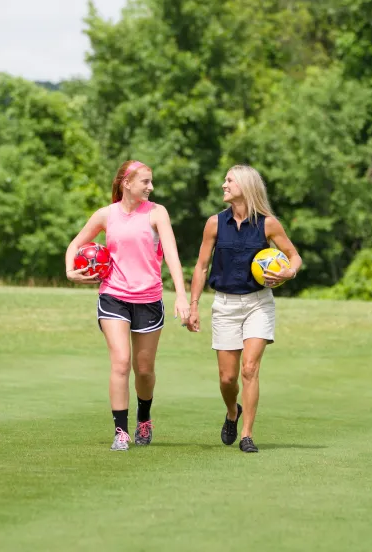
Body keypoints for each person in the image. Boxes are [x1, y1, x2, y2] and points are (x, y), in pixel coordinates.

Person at [66, 160, 191, 451]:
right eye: (145, 181)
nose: (151, 187)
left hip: (149, 299)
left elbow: (171, 255)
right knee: (121, 362)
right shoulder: (105, 215)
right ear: (127, 183)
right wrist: (70, 270)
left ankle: (144, 417)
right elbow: (75, 245)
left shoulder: (157, 213)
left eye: (151, 182)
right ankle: (120, 431)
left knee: (143, 370)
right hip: (113, 296)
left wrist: (181, 295)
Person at [186, 165, 301, 453]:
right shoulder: (214, 223)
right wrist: (193, 305)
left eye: (229, 180)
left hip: (258, 304)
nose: (223, 184)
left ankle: (247, 434)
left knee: (250, 368)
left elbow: (293, 256)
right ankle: (232, 413)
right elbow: (201, 267)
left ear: (246, 187)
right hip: (224, 304)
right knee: (228, 379)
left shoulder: (268, 224)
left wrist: (290, 273)